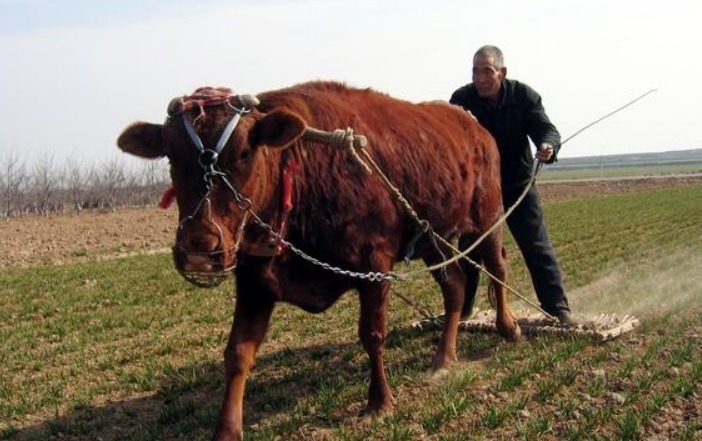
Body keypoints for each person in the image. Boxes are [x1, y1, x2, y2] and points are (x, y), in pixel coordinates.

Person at [449, 44, 573, 325]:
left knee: (536, 246)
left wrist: (547, 146)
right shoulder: (461, 99)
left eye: (487, 71)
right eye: (475, 71)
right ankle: (463, 311)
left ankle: (558, 309)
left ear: (502, 72)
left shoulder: (524, 96)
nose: (480, 78)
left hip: (516, 184)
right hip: (479, 192)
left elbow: (547, 130)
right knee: (471, 250)